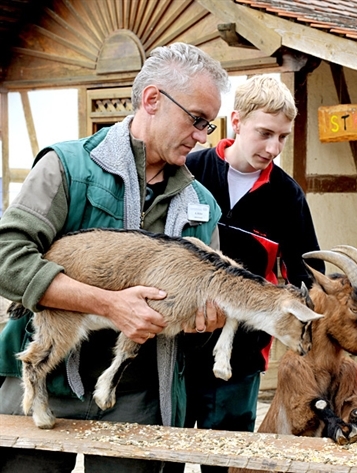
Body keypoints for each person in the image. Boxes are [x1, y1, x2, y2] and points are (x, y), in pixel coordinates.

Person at [0, 42, 230, 473]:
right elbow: (6, 260)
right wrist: (108, 304)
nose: (202, 137)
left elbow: (205, 308)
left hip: (139, 394)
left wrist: (209, 319)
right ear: (152, 100)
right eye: (196, 120)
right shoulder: (65, 167)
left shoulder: (202, 204)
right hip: (44, 378)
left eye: (209, 126)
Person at [163, 75, 325, 473]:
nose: (273, 148)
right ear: (236, 122)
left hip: (241, 355)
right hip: (173, 347)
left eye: (283, 137)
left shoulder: (288, 196)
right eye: (264, 133)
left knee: (227, 460)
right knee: (164, 454)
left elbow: (310, 275)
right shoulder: (190, 170)